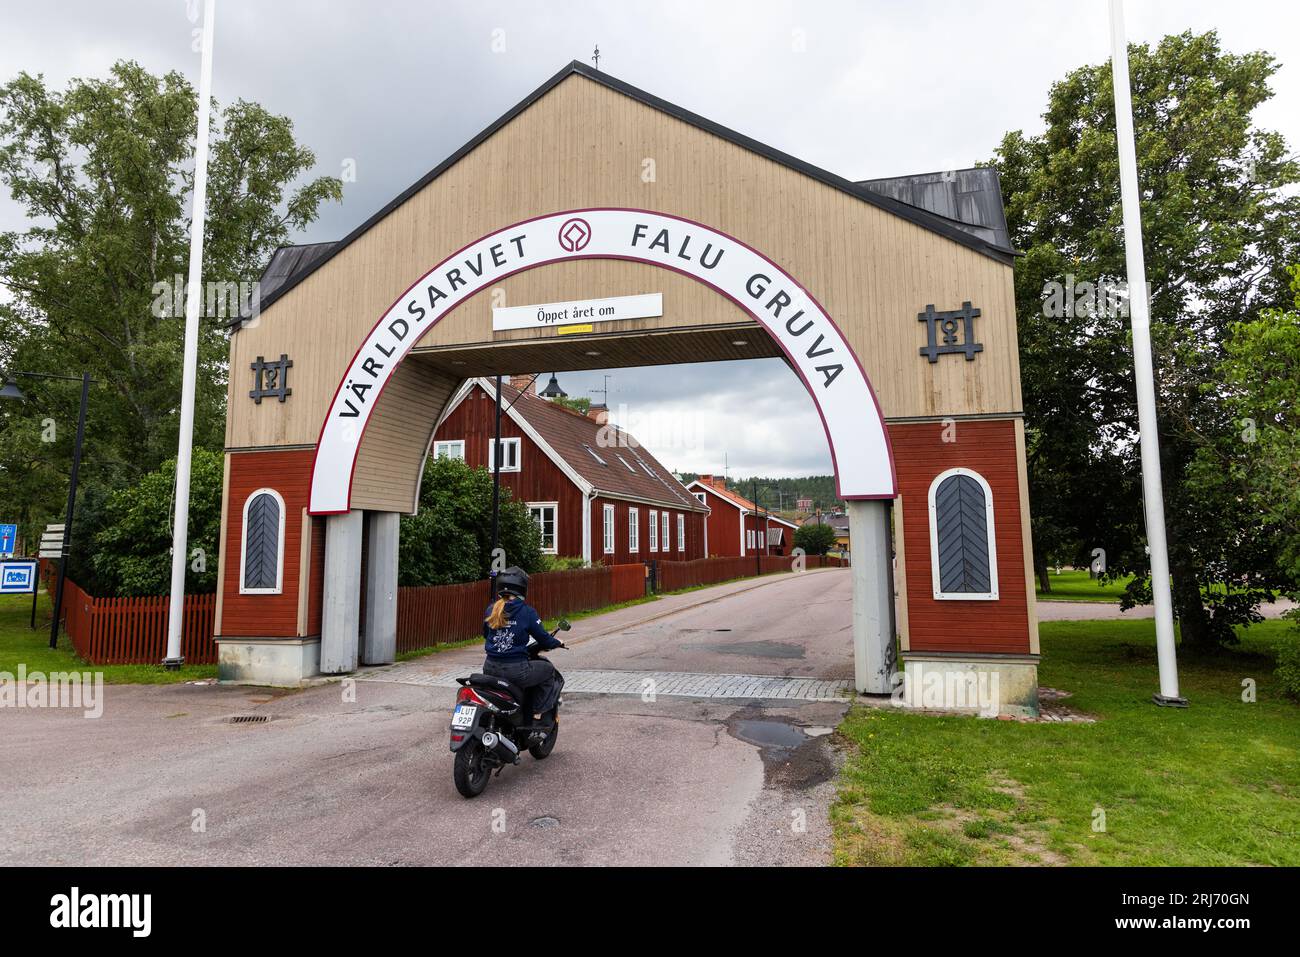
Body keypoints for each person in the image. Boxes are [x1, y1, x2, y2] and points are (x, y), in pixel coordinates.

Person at [482, 566, 565, 722]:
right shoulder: (527, 612)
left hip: (489, 667)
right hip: (516, 670)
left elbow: (486, 635)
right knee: (549, 671)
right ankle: (536, 712)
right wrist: (557, 642)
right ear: (522, 588)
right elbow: (544, 639)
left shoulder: (491, 609)